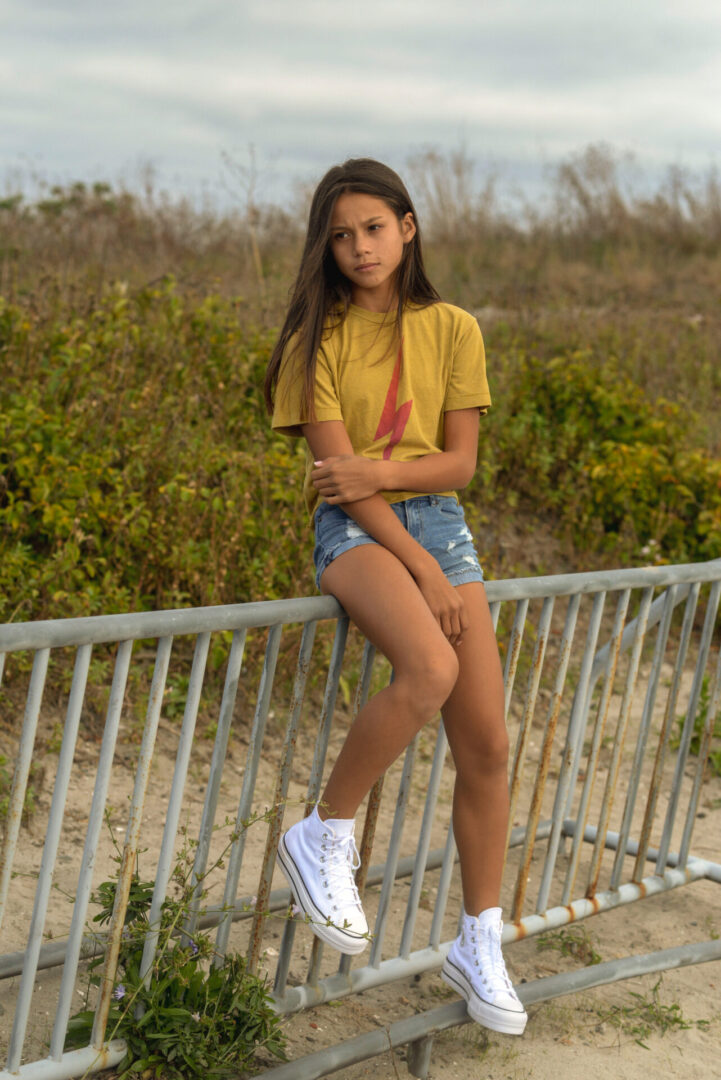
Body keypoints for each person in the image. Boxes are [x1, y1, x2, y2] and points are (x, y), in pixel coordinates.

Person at [264, 158, 527, 1037]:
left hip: (441, 524)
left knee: (487, 742)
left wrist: (391, 484)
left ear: (406, 227)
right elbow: (340, 486)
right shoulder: (315, 338)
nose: (357, 248)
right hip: (358, 531)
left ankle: (478, 940)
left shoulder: (453, 327)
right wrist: (417, 565)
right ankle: (323, 832)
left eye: (372, 228)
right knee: (428, 666)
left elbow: (458, 464)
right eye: (340, 236)